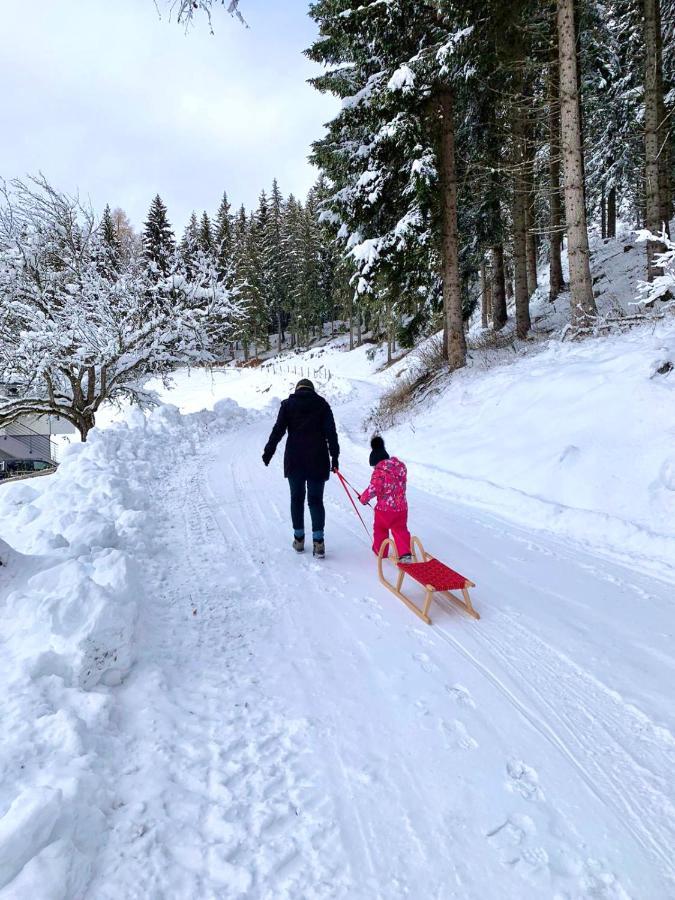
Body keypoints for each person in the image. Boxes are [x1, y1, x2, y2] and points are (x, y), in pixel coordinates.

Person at [262, 378, 339, 558]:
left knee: (296, 499)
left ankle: (299, 540)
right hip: (318, 459)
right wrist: (334, 457)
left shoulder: (288, 405)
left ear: (298, 389)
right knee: (315, 500)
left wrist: (268, 451)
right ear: (312, 390)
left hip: (294, 459)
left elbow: (278, 431)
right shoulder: (322, 405)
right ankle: (318, 543)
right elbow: (331, 433)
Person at [359, 436, 412, 561]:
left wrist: (363, 499)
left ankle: (380, 551)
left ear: (376, 462)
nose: (373, 469)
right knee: (400, 529)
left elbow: (373, 488)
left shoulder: (379, 471)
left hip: (385, 510)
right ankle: (405, 553)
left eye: (373, 466)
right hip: (402, 508)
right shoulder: (400, 468)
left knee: (380, 529)